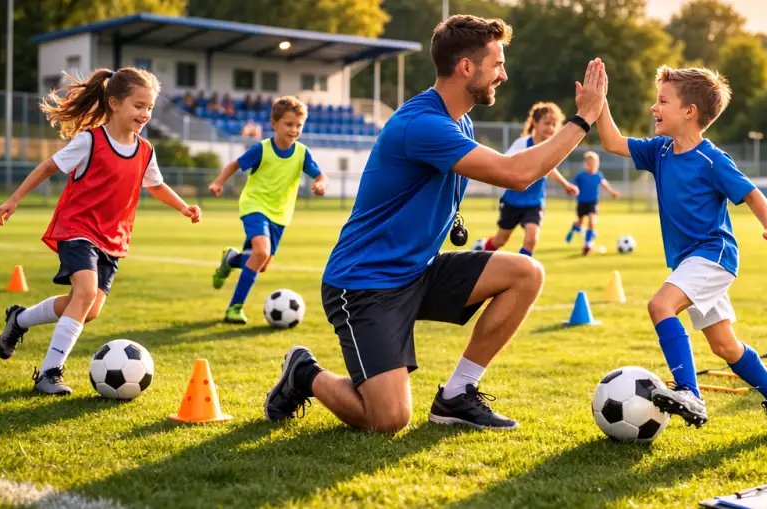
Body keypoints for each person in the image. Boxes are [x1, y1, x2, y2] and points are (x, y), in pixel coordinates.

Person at [259, 14, 607, 433]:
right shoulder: (422, 124)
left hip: (418, 273)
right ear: (466, 67)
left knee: (525, 273)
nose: (504, 74)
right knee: (387, 420)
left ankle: (458, 395)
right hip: (366, 285)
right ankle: (305, 373)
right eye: (497, 64)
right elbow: (517, 173)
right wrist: (582, 119)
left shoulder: (459, 119)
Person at [596, 66, 767, 437]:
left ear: (689, 111)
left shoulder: (712, 160)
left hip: (714, 254)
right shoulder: (659, 151)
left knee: (660, 305)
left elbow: (752, 194)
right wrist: (598, 103)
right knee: (725, 346)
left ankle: (690, 392)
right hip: (689, 260)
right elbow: (612, 141)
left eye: (662, 101)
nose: (653, 108)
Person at [0, 67, 202, 395]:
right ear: (115, 103)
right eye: (139, 105)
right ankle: (49, 373)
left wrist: (183, 207)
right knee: (85, 292)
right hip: (77, 227)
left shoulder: (145, 150)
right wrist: (13, 199)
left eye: (150, 107)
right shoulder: (91, 140)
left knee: (88, 309)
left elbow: (156, 186)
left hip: (113, 238)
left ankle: (18, 320)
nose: (145, 113)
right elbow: (49, 166)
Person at [209, 97, 329, 323]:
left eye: (298, 125)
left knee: (260, 264)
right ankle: (234, 308)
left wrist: (321, 184)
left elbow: (321, 175)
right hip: (255, 204)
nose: (294, 130)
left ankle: (232, 259)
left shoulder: (302, 153)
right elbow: (235, 164)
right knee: (261, 253)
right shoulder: (262, 149)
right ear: (274, 124)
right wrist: (218, 182)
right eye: (288, 124)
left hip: (280, 214)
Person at [478, 102, 579, 257]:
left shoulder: (550, 147)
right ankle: (479, 252)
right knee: (500, 240)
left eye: (554, 125)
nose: (550, 128)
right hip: (513, 201)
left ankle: (521, 273)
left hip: (534, 203)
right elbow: (507, 163)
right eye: (547, 123)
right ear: (535, 123)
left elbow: (549, 169)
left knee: (531, 239)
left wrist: (565, 184)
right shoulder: (522, 144)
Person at [566, 151, 621, 255]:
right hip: (582, 203)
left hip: (593, 203)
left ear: (597, 164)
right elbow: (573, 185)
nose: (591, 167)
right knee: (580, 222)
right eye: (589, 164)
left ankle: (587, 244)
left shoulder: (598, 175)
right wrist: (572, 189)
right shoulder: (581, 176)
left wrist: (612, 192)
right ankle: (574, 229)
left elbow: (604, 184)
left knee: (592, 221)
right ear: (585, 164)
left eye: (594, 164)